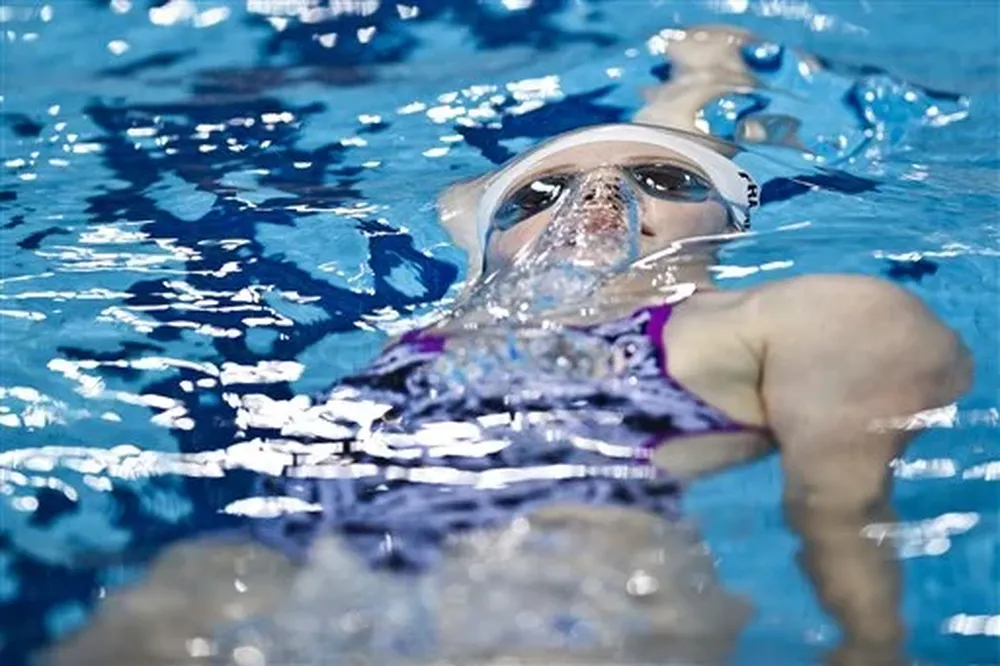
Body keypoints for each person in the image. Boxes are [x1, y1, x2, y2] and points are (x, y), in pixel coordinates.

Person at [43, 25, 972, 666]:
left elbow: (842, 512)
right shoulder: (453, 316)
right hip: (256, 570)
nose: (596, 204)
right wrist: (689, 93)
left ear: (728, 220)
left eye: (654, 178)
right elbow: (580, 183)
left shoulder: (792, 315)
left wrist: (870, 643)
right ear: (481, 242)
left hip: (560, 573)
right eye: (537, 198)